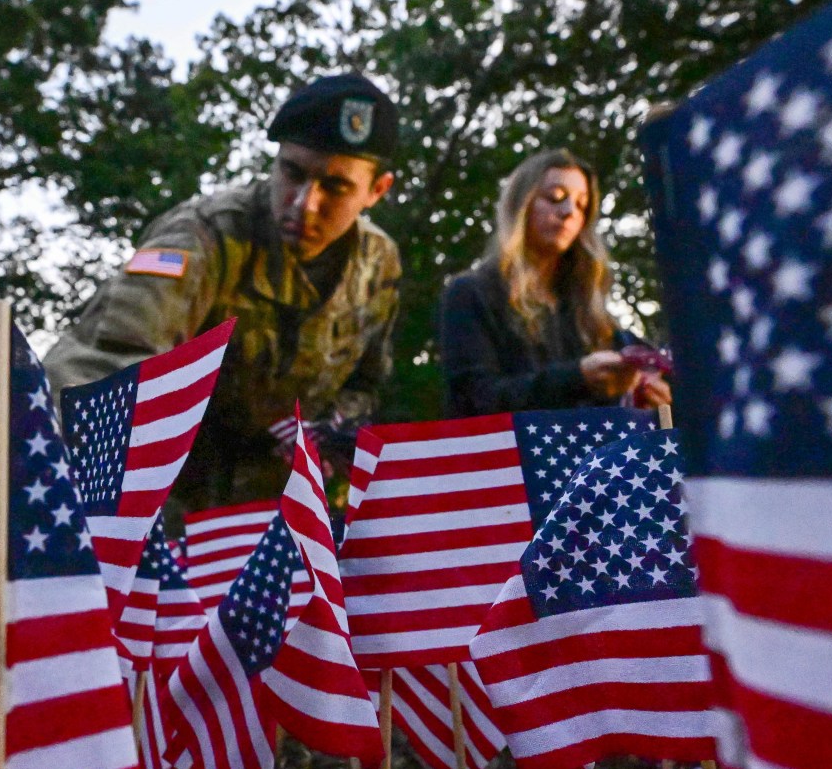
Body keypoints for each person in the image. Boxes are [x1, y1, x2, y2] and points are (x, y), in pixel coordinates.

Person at [48, 73, 403, 507]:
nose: (304, 203)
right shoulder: (203, 236)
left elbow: (367, 383)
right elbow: (105, 368)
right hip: (169, 493)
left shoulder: (378, 263)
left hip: (281, 506)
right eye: (292, 172)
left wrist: (331, 431)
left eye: (335, 186)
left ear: (377, 190)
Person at [438, 148, 672, 417]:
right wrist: (577, 378)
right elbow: (473, 400)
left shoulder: (590, 312)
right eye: (555, 197)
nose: (569, 211)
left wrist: (641, 395)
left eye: (581, 205)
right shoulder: (471, 293)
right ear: (521, 205)